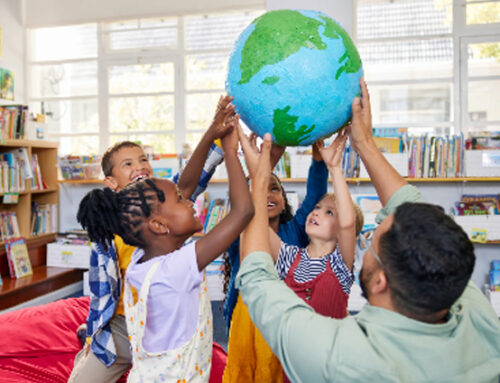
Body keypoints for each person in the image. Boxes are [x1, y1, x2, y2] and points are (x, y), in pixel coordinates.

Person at [235, 78, 500, 383]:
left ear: (380, 281)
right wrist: (364, 144)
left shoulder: (337, 357)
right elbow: (407, 205)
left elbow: (257, 278)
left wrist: (258, 179)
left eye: (372, 239)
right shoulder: (477, 315)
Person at [68, 95, 237, 382]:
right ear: (111, 183)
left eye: (144, 159)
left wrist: (212, 132)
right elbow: (101, 294)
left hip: (166, 323)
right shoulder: (107, 231)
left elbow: (186, 182)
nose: (140, 167)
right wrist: (94, 332)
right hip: (123, 324)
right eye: (127, 164)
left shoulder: (165, 206)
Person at [222, 139, 328, 382]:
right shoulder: (239, 230)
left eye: (275, 189)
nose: (268, 194)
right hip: (246, 320)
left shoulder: (297, 231)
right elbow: (247, 202)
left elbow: (314, 196)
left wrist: (319, 160)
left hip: (285, 321)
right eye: (263, 189)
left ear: (283, 201)